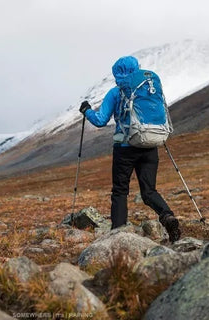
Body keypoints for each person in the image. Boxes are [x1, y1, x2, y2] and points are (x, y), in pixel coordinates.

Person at [79, 56, 181, 243]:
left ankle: (118, 234)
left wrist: (86, 110)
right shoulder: (149, 89)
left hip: (125, 148)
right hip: (150, 145)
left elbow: (100, 120)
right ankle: (168, 217)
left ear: (117, 73)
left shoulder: (116, 93)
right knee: (149, 191)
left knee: (120, 191)